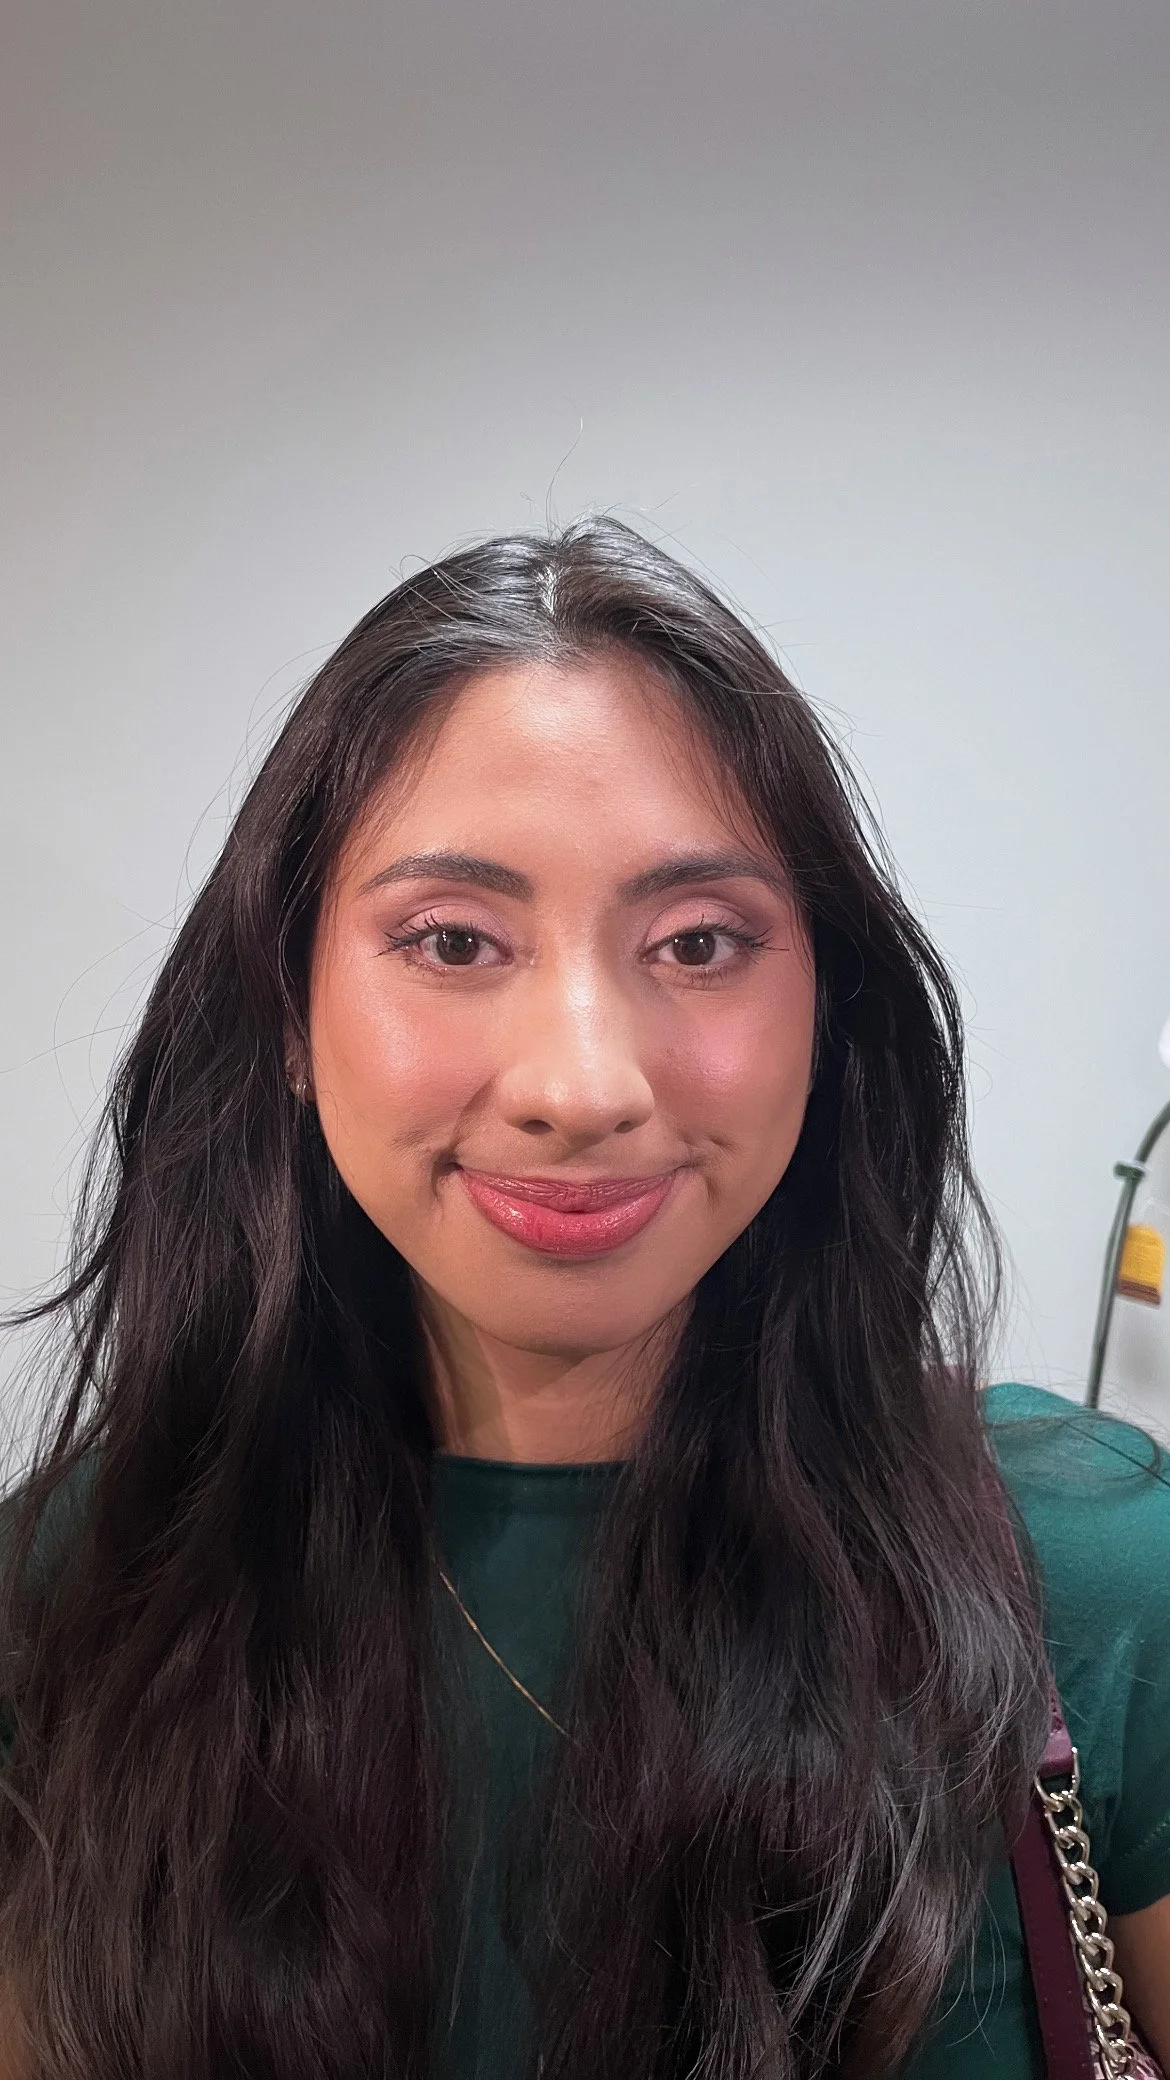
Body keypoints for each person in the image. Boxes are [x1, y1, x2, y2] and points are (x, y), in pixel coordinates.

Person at [0, 518, 1166, 2080]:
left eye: (696, 943)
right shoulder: (76, 1599)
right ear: (286, 1010)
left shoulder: (1088, 1581)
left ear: (826, 1007)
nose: (579, 1085)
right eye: (453, 940)